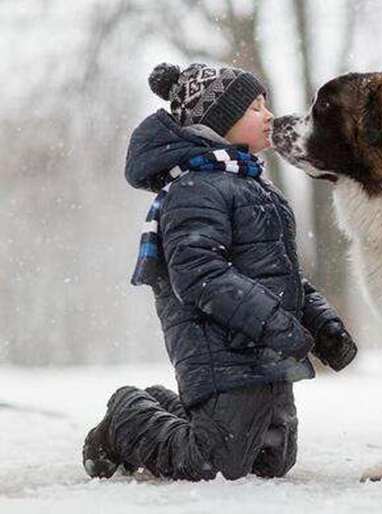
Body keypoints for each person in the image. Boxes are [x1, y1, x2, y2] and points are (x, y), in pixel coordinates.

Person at [82, 62, 357, 481]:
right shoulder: (195, 189)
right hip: (220, 350)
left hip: (267, 350)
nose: (268, 115)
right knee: (210, 462)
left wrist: (322, 324)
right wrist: (273, 323)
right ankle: (126, 416)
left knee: (272, 461)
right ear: (216, 123)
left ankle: (169, 407)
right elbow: (199, 274)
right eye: (253, 108)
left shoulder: (258, 188)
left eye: (266, 104)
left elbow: (282, 274)